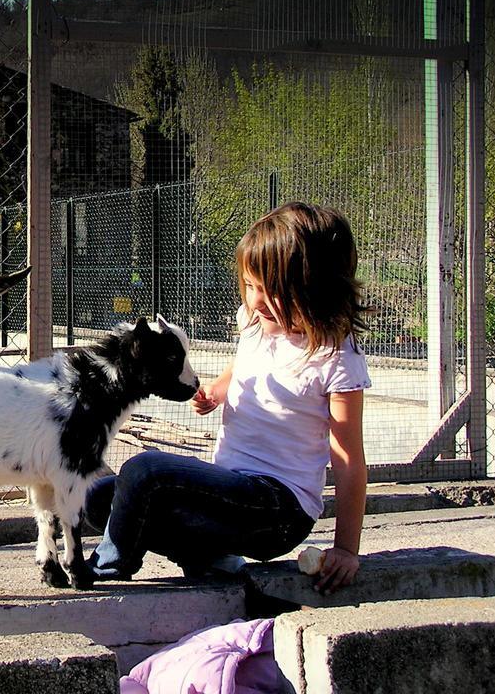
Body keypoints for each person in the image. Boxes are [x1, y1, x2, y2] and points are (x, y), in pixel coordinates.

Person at [85, 201, 371, 594]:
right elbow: (244, 367)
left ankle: (107, 568)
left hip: (277, 509)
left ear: (313, 286)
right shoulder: (256, 323)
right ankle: (208, 557)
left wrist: (345, 549)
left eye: (271, 292)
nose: (255, 301)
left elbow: (348, 460)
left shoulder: (335, 356)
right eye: (251, 287)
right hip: (229, 489)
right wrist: (216, 392)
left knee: (144, 471)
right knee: (99, 498)